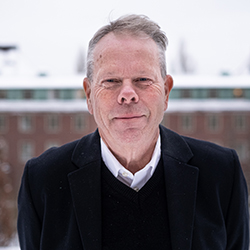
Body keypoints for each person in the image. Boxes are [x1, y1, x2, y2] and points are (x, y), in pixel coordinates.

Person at [17, 14, 249, 250]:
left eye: (142, 79)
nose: (127, 94)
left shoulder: (220, 174)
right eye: (111, 81)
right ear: (89, 95)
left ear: (166, 92)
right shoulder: (43, 180)